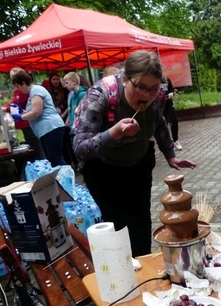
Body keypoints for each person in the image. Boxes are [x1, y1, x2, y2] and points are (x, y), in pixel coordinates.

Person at [73, 50, 196, 257]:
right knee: (118, 228)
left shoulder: (155, 97)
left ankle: (144, 267)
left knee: (140, 223)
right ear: (125, 79)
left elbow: (158, 123)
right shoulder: (100, 95)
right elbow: (80, 149)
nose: (148, 95)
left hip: (138, 165)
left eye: (154, 88)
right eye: (141, 88)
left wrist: (170, 154)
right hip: (104, 172)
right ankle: (122, 272)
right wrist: (113, 133)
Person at [10, 71, 67, 167]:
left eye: (17, 86)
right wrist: (22, 112)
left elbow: (36, 112)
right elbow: (35, 111)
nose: (17, 89)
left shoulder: (36, 90)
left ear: (23, 83)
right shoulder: (33, 93)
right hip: (46, 130)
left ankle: (68, 180)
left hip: (51, 128)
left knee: (56, 160)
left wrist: (21, 117)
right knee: (52, 160)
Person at [4, 67, 45, 160]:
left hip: (28, 123)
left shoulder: (25, 90)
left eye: (14, 78)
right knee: (33, 147)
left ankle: (44, 167)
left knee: (37, 148)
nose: (13, 81)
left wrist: (5, 108)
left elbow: (16, 103)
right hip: (25, 123)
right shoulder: (18, 90)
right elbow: (14, 102)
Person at [63, 71, 88, 170]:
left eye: (67, 83)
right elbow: (71, 110)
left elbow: (81, 111)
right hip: (73, 129)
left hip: (80, 129)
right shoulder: (73, 96)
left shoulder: (82, 94)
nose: (65, 86)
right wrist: (69, 119)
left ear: (74, 81)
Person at [160, 76, 182, 150]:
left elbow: (171, 90)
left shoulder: (166, 79)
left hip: (169, 103)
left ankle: (176, 140)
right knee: (164, 123)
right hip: (160, 105)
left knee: (174, 120)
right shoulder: (153, 80)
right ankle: (167, 142)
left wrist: (171, 94)